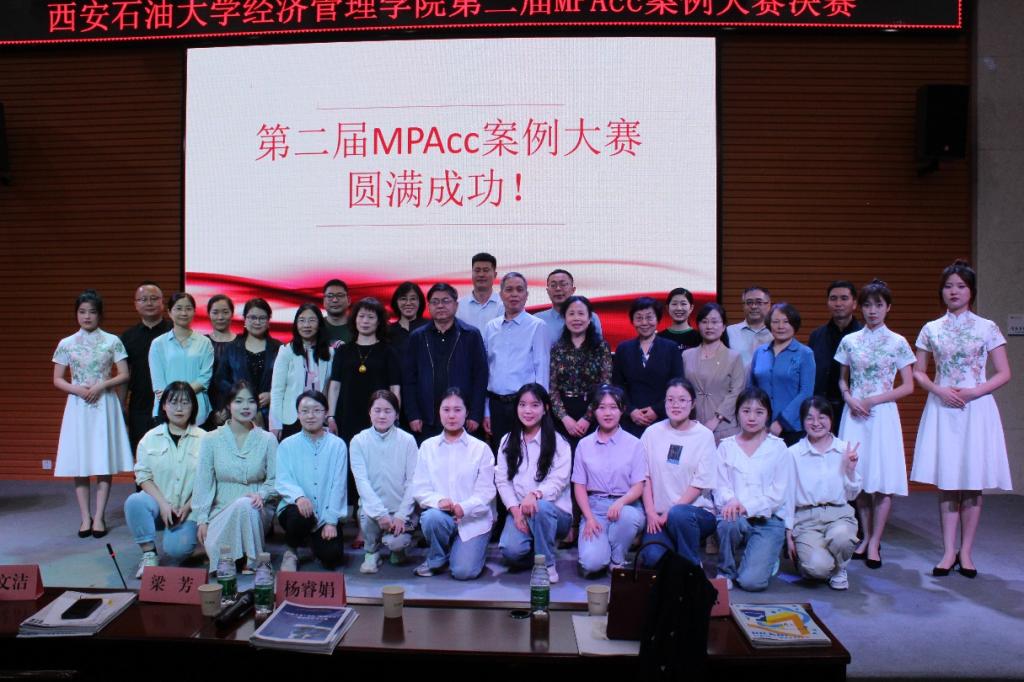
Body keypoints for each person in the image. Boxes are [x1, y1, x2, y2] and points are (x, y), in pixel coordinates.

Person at [911, 260, 1012, 579]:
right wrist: (939, 389)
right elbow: (918, 372)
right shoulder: (931, 328)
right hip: (943, 407)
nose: (953, 291)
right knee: (948, 481)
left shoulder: (987, 327)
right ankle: (947, 551)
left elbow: (1004, 372)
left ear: (971, 291)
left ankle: (966, 552)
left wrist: (973, 392)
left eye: (961, 286)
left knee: (971, 480)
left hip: (975, 408)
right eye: (948, 286)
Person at [835, 279, 915, 569]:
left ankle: (875, 541)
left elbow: (908, 386)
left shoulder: (898, 342)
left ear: (888, 308)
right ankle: (866, 536)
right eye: (867, 305)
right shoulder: (850, 340)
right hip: (854, 414)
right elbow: (842, 379)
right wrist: (849, 397)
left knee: (881, 480)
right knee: (859, 479)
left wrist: (873, 400)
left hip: (882, 416)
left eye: (878, 305)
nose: (872, 311)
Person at [53, 289, 133, 538]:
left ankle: (99, 517)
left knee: (102, 459)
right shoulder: (66, 343)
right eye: (82, 312)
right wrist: (78, 389)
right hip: (78, 406)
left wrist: (101, 385)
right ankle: (85, 517)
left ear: (100, 315)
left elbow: (124, 374)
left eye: (92, 312)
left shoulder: (112, 341)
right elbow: (57, 379)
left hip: (104, 403)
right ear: (76, 314)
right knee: (81, 462)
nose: (87, 316)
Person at [409, 388, 496, 579]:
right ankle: (437, 557)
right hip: (442, 517)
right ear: (439, 411)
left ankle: (463, 550)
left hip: (473, 520)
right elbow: (420, 488)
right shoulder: (428, 447)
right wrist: (439, 501)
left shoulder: (480, 448)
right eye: (446, 409)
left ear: (466, 412)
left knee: (463, 572)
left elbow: (486, 492)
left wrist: (463, 508)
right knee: (431, 518)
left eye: (457, 410)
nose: (451, 416)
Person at [193, 380, 277, 573]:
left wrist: (262, 495)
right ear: (228, 405)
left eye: (251, 401)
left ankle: (253, 560)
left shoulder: (268, 439)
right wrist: (202, 519)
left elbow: (275, 480)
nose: (245, 407)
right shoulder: (211, 439)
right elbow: (204, 482)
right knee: (217, 552)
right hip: (220, 509)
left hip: (257, 509)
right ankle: (235, 556)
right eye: (239, 401)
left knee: (246, 504)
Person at [714, 387, 792, 591]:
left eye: (759, 412)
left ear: (768, 415)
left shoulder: (778, 448)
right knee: (728, 523)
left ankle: (766, 556)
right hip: (735, 515)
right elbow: (720, 485)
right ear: (737, 413)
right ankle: (725, 570)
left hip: (768, 520)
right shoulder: (726, 446)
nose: (751, 417)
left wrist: (746, 506)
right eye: (746, 411)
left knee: (751, 582)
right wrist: (731, 501)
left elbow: (778, 495)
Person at [124, 381, 204, 577]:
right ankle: (149, 554)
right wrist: (163, 504)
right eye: (173, 402)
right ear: (164, 406)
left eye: (185, 403)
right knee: (135, 501)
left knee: (177, 550)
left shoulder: (205, 439)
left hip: (190, 507)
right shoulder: (149, 438)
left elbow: (209, 480)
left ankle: (200, 546)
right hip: (159, 502)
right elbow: (143, 476)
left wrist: (188, 506)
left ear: (193, 407)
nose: (179, 408)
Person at [495, 384, 573, 583]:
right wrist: (515, 511)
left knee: (542, 507)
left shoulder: (559, 442)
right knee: (511, 551)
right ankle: (540, 547)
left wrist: (535, 495)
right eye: (522, 405)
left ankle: (546, 565)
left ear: (545, 408)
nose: (527, 410)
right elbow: (502, 481)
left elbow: (558, 481)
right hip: (521, 511)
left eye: (534, 405)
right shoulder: (507, 441)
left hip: (555, 513)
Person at [639, 379, 718, 569]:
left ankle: (691, 567)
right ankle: (675, 549)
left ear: (693, 404)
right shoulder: (651, 433)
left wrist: (670, 512)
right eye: (670, 400)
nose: (676, 405)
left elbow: (700, 483)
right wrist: (651, 513)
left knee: (678, 514)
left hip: (694, 513)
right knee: (652, 557)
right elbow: (644, 476)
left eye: (682, 400)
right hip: (659, 516)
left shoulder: (704, 436)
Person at [786, 397, 862, 590]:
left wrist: (850, 470)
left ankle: (840, 568)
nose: (816, 423)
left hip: (839, 514)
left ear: (831, 419)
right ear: (802, 421)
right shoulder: (793, 453)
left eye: (822, 417)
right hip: (806, 518)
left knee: (842, 538)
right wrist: (788, 534)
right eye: (809, 418)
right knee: (817, 568)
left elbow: (852, 496)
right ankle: (817, 563)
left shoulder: (844, 449)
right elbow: (787, 496)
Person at [572, 385, 646, 576]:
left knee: (627, 516)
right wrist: (589, 517)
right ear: (594, 411)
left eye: (613, 407)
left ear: (622, 410)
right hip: (595, 507)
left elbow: (639, 486)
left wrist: (621, 502)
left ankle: (617, 558)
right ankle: (604, 547)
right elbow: (579, 486)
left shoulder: (635, 444)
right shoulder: (584, 445)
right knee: (591, 564)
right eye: (602, 407)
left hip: (626, 505)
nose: (607, 413)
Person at [403, 283, 488, 441]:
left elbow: (480, 378)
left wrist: (475, 414)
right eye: (435, 302)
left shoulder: (470, 335)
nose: (440, 305)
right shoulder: (417, 337)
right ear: (429, 306)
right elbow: (408, 380)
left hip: (463, 418)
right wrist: (413, 414)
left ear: (456, 305)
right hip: (427, 419)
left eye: (446, 301)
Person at [275, 390, 348, 572]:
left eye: (316, 410)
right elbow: (283, 479)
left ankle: (312, 540)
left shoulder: (337, 445)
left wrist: (331, 521)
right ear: (298, 414)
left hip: (324, 513)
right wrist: (299, 497)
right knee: (300, 518)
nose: (310, 416)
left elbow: (338, 485)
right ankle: (291, 551)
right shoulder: (287, 445)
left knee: (332, 557)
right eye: (305, 411)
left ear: (325, 413)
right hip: (296, 510)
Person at [350, 390, 419, 573]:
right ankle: (371, 552)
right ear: (369, 412)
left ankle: (398, 549)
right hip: (372, 510)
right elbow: (362, 482)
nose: (382, 416)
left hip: (401, 510)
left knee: (397, 542)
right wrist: (380, 514)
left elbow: (413, 482)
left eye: (388, 411)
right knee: (366, 514)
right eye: (377, 410)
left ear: (396, 414)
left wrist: (401, 515)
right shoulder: (358, 441)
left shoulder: (408, 440)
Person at [482, 272, 550, 447]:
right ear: (501, 295)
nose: (514, 294)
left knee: (526, 453)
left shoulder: (537, 326)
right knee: (500, 454)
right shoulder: (491, 327)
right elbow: (487, 371)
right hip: (496, 405)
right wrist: (486, 410)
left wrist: (540, 407)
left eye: (519, 290)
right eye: (509, 289)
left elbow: (542, 369)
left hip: (525, 406)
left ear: (526, 295)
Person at [327, 297, 402, 442]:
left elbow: (395, 388)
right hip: (347, 414)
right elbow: (335, 386)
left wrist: (395, 415)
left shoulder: (389, 352)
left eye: (371, 317)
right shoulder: (343, 351)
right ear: (354, 319)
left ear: (379, 322)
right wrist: (331, 416)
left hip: (379, 415)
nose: (365, 321)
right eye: (361, 316)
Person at [612, 297, 683, 437]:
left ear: (658, 319)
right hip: (630, 421)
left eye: (649, 317)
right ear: (633, 321)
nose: (644, 322)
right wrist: (631, 411)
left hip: (664, 419)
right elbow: (617, 386)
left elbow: (677, 384)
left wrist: (657, 410)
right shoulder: (623, 348)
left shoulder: (671, 348)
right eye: (639, 318)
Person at [549, 295, 613, 449]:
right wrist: (564, 418)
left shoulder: (601, 347)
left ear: (589, 318)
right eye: (571, 314)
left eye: (581, 313)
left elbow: (606, 385)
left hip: (594, 410)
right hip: (562, 414)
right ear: (565, 318)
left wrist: (588, 418)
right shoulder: (557, 348)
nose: (576, 318)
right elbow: (552, 388)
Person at [749, 302, 815, 446]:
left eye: (786, 322)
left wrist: (782, 421)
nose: (780, 326)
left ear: (794, 324)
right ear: (769, 324)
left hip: (792, 428)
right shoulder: (760, 352)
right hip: (760, 426)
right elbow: (751, 389)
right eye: (775, 322)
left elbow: (806, 392)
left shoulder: (805, 353)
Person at [149, 292, 215, 426]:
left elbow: (204, 378)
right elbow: (158, 382)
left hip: (198, 410)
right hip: (167, 408)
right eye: (178, 308)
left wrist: (180, 395)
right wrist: (177, 398)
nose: (184, 313)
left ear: (194, 312)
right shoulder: (158, 343)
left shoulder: (205, 342)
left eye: (188, 309)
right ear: (169, 312)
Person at [121, 281, 172, 454]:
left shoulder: (174, 332)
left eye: (154, 298)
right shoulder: (128, 337)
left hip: (170, 402)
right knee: (142, 453)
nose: (149, 303)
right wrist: (121, 405)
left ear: (162, 302)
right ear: (136, 304)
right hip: (139, 405)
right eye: (143, 299)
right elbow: (124, 376)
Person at [683, 303, 745, 444]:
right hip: (692, 424)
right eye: (704, 322)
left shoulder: (734, 357)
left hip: (724, 426)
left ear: (723, 327)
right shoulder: (687, 355)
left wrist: (716, 419)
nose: (709, 326)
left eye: (715, 322)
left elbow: (737, 392)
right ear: (698, 325)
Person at [213, 298, 281, 428]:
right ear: (244, 319)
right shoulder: (232, 348)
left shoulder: (279, 348)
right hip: (239, 412)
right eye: (252, 317)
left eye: (262, 318)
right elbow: (221, 379)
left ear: (268, 321)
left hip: (270, 414)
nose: (257, 322)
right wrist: (239, 395)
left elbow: (288, 381)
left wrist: (272, 395)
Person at [270, 304, 334, 440]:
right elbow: (277, 391)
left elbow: (331, 390)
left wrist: (330, 417)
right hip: (292, 419)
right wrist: (275, 423)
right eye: (302, 320)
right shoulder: (286, 351)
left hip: (320, 419)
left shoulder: (330, 353)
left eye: (312, 320)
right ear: (296, 324)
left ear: (319, 324)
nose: (306, 325)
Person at [807, 281, 863, 433]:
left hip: (854, 407)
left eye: (844, 298)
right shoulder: (816, 335)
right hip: (821, 409)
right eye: (833, 298)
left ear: (854, 303)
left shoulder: (863, 335)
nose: (838, 303)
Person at [534, 269, 603, 346]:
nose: (558, 288)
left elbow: (598, 347)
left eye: (563, 284)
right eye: (553, 285)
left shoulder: (591, 317)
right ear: (547, 291)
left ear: (573, 290)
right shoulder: (537, 320)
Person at [204, 294, 236, 429]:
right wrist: (212, 411)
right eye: (215, 312)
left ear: (232, 314)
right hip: (206, 407)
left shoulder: (242, 342)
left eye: (225, 312)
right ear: (208, 314)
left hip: (236, 407)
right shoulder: (202, 343)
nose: (220, 317)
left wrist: (229, 408)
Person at [726, 286, 772, 369]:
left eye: (759, 302)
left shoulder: (776, 333)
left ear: (769, 305)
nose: (754, 306)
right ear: (743, 306)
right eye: (749, 302)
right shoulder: (730, 332)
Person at [455, 252, 503, 331]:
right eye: (477, 270)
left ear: (495, 275)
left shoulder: (504, 305)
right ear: (472, 274)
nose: (481, 274)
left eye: (486, 270)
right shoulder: (458, 306)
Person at [388, 281, 429, 355]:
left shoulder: (430, 327)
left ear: (420, 302)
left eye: (413, 299)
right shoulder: (388, 331)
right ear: (396, 302)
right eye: (403, 299)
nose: (408, 303)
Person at [658, 287, 701, 351]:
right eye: (674, 304)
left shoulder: (700, 338)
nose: (679, 308)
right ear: (667, 308)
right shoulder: (659, 338)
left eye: (683, 304)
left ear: (691, 308)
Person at [322, 279, 353, 346]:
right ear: (323, 301)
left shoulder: (359, 326)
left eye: (340, 295)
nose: (335, 300)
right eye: (330, 296)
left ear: (349, 300)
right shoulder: (316, 326)